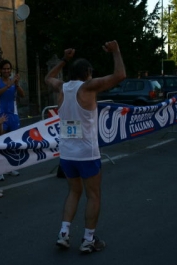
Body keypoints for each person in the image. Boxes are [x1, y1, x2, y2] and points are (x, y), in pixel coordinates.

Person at [44, 41, 126, 253]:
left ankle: (64, 233)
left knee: (73, 192)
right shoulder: (88, 87)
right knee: (93, 195)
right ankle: (88, 239)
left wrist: (63, 59)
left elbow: (47, 78)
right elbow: (119, 76)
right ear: (88, 72)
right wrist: (116, 52)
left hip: (67, 154)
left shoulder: (62, 87)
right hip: (87, 154)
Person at [0, 60, 24, 177]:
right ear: (0, 70)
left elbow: (23, 95)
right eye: (4, 69)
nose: (7, 71)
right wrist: (8, 85)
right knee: (0, 142)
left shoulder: (14, 82)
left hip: (13, 115)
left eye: (8, 68)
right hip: (1, 115)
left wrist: (17, 84)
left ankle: (11, 167)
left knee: (13, 142)